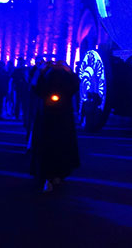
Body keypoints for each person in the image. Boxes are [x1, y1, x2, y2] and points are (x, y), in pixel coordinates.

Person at [29, 61, 80, 192]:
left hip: (47, 118)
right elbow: (75, 85)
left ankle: (48, 176)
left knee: (46, 146)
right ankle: (57, 174)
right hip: (61, 118)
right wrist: (68, 70)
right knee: (60, 146)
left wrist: (40, 71)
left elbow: (36, 87)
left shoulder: (46, 77)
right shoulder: (65, 80)